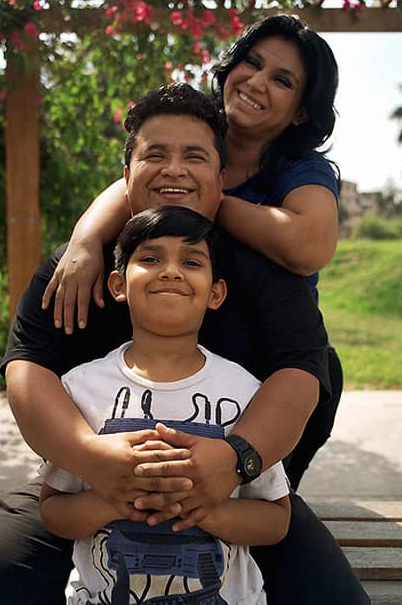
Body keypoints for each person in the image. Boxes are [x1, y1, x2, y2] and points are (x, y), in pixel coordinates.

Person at [0, 83, 368, 604]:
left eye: (195, 156)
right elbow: (28, 368)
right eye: (155, 155)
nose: (174, 170)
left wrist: (234, 461)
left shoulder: (265, 271)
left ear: (221, 178)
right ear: (126, 177)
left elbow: (301, 373)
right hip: (88, 487)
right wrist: (90, 458)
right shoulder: (77, 268)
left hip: (232, 491)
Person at [41, 14, 342, 489]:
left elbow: (310, 243)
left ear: (302, 112)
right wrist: (84, 241)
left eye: (282, 80)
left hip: (265, 349)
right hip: (174, 336)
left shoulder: (300, 170)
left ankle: (265, 494)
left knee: (262, 486)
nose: (256, 82)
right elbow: (130, 185)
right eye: (252, 62)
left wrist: (205, 199)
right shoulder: (195, 131)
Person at [39, 205, 291, 603]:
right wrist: (113, 500)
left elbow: (275, 519)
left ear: (215, 293)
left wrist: (202, 508)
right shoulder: (81, 389)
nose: (171, 271)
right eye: (151, 259)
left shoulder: (246, 392)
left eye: (191, 262)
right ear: (118, 285)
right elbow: (53, 511)